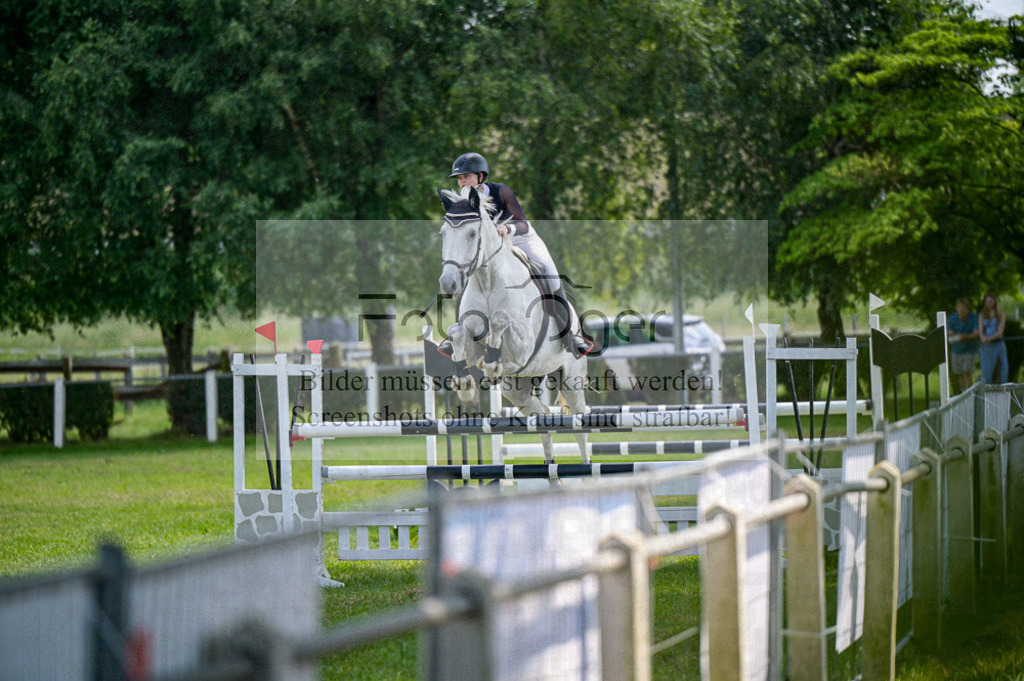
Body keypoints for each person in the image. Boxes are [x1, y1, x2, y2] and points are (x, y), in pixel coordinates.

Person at [442, 152, 590, 357]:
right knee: (467, 278)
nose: (462, 181)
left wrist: (507, 229)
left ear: (481, 176)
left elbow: (523, 224)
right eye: (460, 178)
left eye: (466, 176)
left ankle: (569, 336)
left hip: (521, 239)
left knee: (550, 274)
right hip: (490, 249)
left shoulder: (501, 191)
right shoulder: (463, 202)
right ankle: (460, 330)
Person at [946, 297, 979, 393]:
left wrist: (963, 337)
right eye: (959, 308)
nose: (961, 310)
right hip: (956, 350)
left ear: (967, 308)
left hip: (970, 350)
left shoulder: (973, 317)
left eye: (963, 308)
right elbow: (948, 332)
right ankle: (963, 393)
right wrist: (954, 335)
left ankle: (970, 393)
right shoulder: (952, 318)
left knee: (966, 371)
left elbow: (976, 333)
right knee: (960, 373)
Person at [979, 293, 1008, 383]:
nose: (989, 303)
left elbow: (1000, 331)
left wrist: (990, 338)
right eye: (987, 301)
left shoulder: (1001, 314)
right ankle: (987, 391)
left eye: (991, 301)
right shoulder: (982, 315)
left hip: (998, 344)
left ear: (995, 302)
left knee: (1002, 368)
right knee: (986, 370)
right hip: (987, 346)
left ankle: (1003, 389)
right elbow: (980, 330)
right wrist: (983, 337)